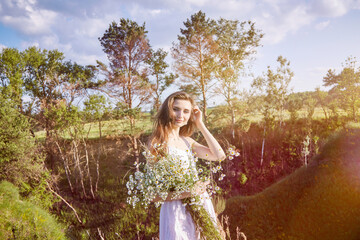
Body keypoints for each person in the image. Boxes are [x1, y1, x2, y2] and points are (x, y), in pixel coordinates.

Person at [148, 91, 226, 240]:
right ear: (167, 111)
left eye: (186, 111)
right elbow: (152, 195)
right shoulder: (157, 144)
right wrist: (188, 192)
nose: (180, 115)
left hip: (200, 205)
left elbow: (219, 155)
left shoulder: (187, 141)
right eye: (176, 109)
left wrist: (200, 124)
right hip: (175, 213)